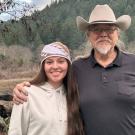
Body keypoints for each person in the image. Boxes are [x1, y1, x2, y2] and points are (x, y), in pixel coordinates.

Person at [12, 4, 135, 135]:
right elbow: (52, 84)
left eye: (109, 29)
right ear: (88, 35)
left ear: (118, 34)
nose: (103, 34)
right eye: (97, 29)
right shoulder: (76, 68)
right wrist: (22, 88)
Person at [8, 42, 84, 135]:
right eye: (49, 62)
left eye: (61, 61)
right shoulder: (25, 93)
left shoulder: (75, 94)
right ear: (43, 66)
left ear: (68, 65)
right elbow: (15, 131)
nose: (55, 66)